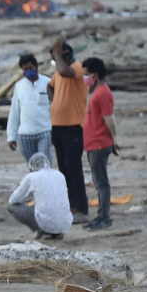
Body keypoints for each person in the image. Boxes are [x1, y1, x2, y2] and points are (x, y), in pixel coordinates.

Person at [48, 41, 89, 224]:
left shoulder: (77, 67)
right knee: (63, 169)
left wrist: (57, 53)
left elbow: (66, 71)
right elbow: (50, 86)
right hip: (57, 125)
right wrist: (56, 100)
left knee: (74, 168)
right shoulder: (59, 71)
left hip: (73, 125)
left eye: (56, 56)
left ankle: (81, 209)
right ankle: (71, 206)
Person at [82, 57, 118, 231]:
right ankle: (102, 215)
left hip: (99, 144)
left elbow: (109, 119)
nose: (85, 77)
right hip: (93, 144)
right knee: (99, 182)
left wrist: (114, 140)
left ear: (95, 74)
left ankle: (105, 217)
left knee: (101, 182)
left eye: (87, 74)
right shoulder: (98, 92)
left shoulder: (103, 93)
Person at [8, 152, 72, 239]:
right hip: (65, 222)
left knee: (12, 208)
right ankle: (57, 233)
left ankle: (42, 230)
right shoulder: (59, 175)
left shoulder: (32, 176)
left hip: (46, 221)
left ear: (33, 166)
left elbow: (13, 199)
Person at [7, 54, 52, 165]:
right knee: (32, 166)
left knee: (44, 164)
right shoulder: (19, 86)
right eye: (25, 69)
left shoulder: (48, 83)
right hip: (25, 135)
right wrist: (11, 136)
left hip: (44, 132)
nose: (28, 71)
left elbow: (54, 106)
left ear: (36, 67)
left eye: (30, 68)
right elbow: (14, 112)